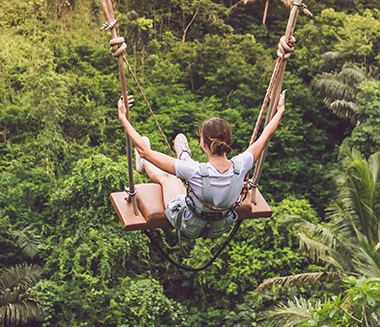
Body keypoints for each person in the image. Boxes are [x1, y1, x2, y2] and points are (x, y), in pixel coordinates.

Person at [116, 90, 286, 239]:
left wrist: (123, 117)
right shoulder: (242, 163)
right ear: (228, 142)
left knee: (169, 178)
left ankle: (147, 163)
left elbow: (146, 150)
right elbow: (265, 136)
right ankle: (184, 155)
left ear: (203, 144)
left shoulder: (194, 171)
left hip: (189, 225)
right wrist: (279, 111)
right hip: (220, 226)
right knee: (189, 175)